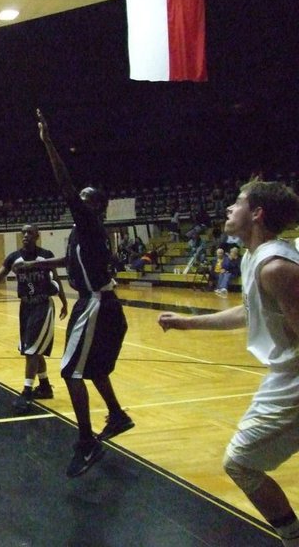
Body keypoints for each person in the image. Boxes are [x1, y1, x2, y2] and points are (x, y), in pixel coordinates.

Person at [158, 179, 299, 547]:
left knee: (240, 463)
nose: (227, 209)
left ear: (257, 213)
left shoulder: (276, 267)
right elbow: (251, 311)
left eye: (236, 203)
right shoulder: (255, 257)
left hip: (295, 379)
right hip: (286, 374)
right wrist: (187, 322)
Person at [13, 110, 134, 478]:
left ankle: (86, 442)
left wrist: (48, 143)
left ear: (95, 206)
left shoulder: (90, 223)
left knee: (70, 372)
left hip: (97, 304)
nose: (77, 200)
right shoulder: (83, 235)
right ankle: (115, 415)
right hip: (97, 304)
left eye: (84, 198)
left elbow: (66, 186)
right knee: (91, 368)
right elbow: (71, 260)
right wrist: (37, 267)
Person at [0, 224, 68, 412]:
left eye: (30, 232)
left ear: (37, 235)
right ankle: (44, 386)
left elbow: (57, 279)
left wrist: (64, 301)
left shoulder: (46, 255)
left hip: (43, 305)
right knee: (32, 348)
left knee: (32, 349)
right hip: (26, 306)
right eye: (23, 233)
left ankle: (27, 391)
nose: (26, 235)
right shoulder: (14, 257)